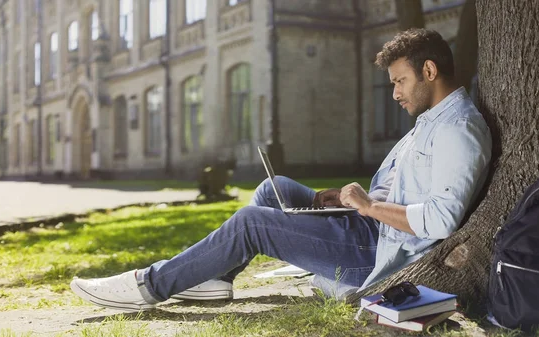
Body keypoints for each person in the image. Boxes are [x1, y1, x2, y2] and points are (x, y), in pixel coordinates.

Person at [70, 28, 492, 311]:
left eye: (399, 81)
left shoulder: (458, 129)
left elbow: (439, 218)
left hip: (375, 253)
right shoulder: (432, 119)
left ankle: (149, 285)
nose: (395, 93)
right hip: (372, 227)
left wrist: (366, 207)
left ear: (429, 71)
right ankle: (217, 279)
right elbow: (410, 188)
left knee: (252, 222)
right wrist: (355, 199)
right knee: (277, 191)